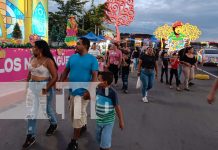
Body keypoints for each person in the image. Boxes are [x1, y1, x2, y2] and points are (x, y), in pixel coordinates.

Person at [60, 37, 99, 150]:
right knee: (77, 113)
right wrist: (61, 82)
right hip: (72, 92)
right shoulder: (72, 58)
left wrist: (89, 91)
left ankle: (74, 141)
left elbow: (95, 77)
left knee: (76, 116)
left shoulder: (92, 60)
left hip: (83, 93)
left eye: (78, 44)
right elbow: (66, 71)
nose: (76, 45)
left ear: (85, 46)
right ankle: (83, 125)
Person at [22, 40, 58, 149]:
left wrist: (46, 88)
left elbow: (55, 77)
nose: (32, 49)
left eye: (34, 48)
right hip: (33, 86)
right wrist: (27, 86)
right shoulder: (32, 59)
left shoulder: (48, 61)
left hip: (44, 86)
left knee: (46, 109)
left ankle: (53, 123)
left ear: (41, 49)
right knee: (32, 112)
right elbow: (30, 73)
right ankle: (30, 135)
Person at [96, 71, 124, 150]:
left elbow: (117, 107)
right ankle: (105, 146)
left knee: (104, 143)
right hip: (99, 120)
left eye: (99, 80)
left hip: (108, 121)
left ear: (105, 82)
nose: (97, 81)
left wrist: (121, 121)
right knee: (98, 138)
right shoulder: (98, 89)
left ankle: (105, 147)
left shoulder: (112, 93)